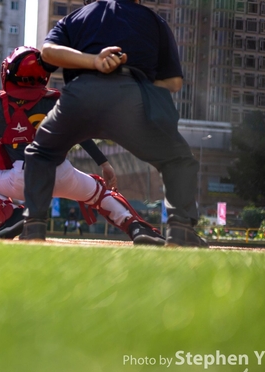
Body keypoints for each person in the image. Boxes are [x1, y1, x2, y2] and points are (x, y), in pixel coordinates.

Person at [20, 0, 207, 247]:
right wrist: (143, 90)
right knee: (178, 160)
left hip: (80, 96)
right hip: (132, 100)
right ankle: (180, 231)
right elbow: (174, 82)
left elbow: (48, 52)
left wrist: (94, 61)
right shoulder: (155, 22)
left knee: (41, 152)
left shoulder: (77, 16)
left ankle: (33, 227)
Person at [0, 46, 164, 244]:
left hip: (22, 178)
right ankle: (136, 227)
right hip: (61, 172)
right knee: (100, 193)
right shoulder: (57, 101)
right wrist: (104, 163)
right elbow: (81, 134)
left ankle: (12, 216)